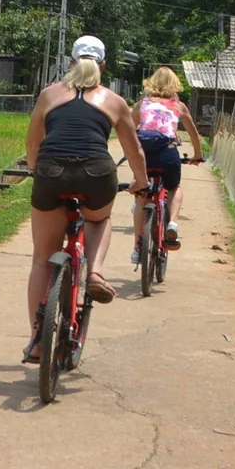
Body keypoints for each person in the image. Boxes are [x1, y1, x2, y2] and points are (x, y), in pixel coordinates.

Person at [22, 34, 152, 363]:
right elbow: (133, 149)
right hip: (96, 174)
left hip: (51, 172)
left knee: (41, 258)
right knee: (100, 218)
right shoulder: (114, 100)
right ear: (103, 66)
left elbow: (33, 145)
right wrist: (141, 180)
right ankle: (95, 273)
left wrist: (39, 172)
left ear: (70, 62)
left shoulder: (48, 95)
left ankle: (38, 342)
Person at [133, 65, 204, 253]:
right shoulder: (178, 105)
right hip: (168, 152)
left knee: (141, 196)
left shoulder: (142, 104)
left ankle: (137, 247)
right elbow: (193, 134)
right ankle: (172, 223)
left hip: (145, 155)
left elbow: (128, 128)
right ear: (175, 85)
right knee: (173, 186)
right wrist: (197, 155)